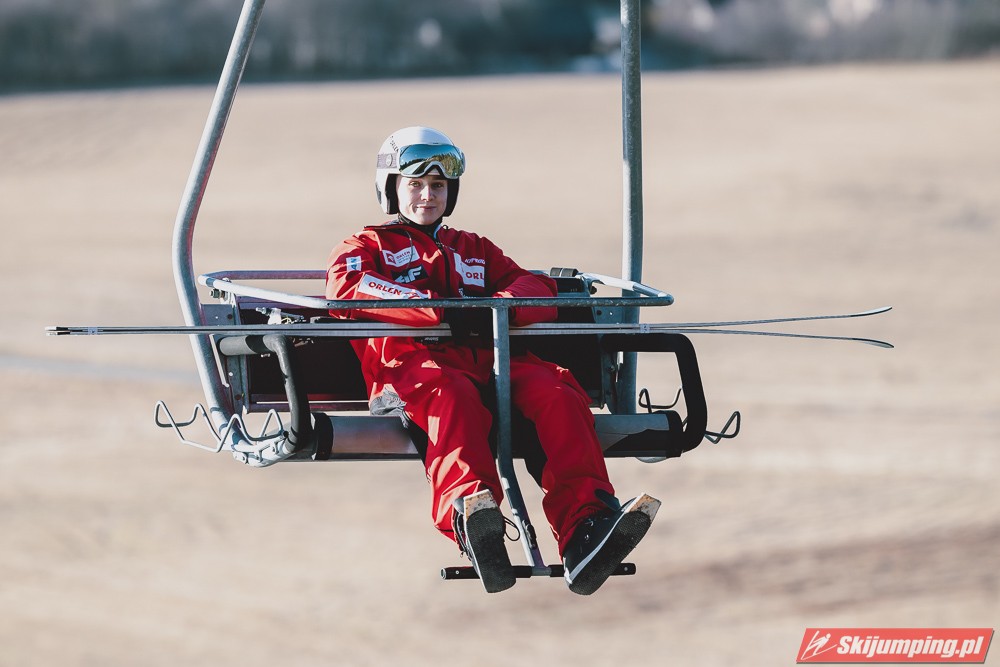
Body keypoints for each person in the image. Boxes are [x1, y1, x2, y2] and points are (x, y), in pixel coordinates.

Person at [325, 126, 660, 595]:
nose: (427, 196)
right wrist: (439, 311)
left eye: (438, 186)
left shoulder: (473, 248)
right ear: (391, 188)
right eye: (415, 185)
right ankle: (472, 514)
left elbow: (535, 287)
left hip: (492, 359)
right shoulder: (367, 246)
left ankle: (585, 525)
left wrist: (497, 308)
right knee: (453, 397)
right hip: (415, 369)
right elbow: (349, 289)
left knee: (556, 391)